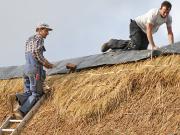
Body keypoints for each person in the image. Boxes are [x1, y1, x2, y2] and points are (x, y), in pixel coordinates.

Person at [14, 23, 54, 118]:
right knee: (36, 94)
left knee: (28, 92)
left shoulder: (29, 39)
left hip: (26, 69)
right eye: (46, 30)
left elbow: (33, 53)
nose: (47, 33)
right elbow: (36, 52)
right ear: (39, 30)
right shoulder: (39, 39)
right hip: (34, 69)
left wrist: (47, 62)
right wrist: (45, 64)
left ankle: (16, 98)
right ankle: (21, 111)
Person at [101, 1, 174, 52]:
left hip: (145, 32)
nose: (165, 14)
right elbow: (149, 30)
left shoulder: (168, 18)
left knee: (140, 51)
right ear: (160, 8)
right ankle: (111, 43)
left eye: (167, 12)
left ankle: (115, 50)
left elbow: (170, 33)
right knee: (135, 45)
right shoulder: (154, 14)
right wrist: (153, 46)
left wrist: (171, 46)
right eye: (164, 11)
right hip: (137, 25)